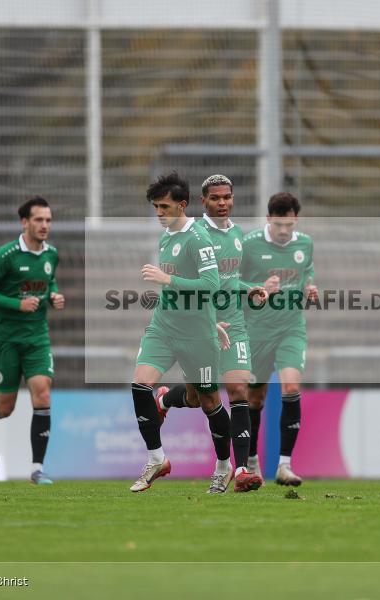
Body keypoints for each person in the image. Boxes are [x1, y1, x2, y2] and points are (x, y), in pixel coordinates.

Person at [157, 174, 265, 493]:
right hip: (199, 326)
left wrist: (249, 289)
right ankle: (165, 398)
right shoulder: (193, 235)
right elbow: (187, 285)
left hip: (234, 324)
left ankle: (240, 469)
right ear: (203, 201)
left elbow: (227, 280)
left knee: (238, 388)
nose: (222, 203)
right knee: (199, 398)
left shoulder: (237, 234)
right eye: (215, 198)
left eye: (227, 197)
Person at [129, 172, 231, 494]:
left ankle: (224, 466)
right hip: (164, 326)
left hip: (196, 335)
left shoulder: (198, 239)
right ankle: (156, 458)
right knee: (139, 383)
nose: (159, 213)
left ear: (182, 205)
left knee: (207, 399)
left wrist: (170, 282)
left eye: (164, 207)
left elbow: (212, 286)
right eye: (155, 207)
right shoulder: (166, 237)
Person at [0, 196, 65, 485]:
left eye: (48, 220)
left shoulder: (51, 254)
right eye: (38, 220)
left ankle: (36, 469)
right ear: (24, 222)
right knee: (5, 407)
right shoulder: (6, 255)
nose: (44, 225)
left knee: (42, 394)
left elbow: (50, 281)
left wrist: (54, 296)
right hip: (5, 339)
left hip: (36, 337)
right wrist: (15, 304)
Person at [239, 192, 316, 487]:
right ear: (269, 219)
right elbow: (230, 282)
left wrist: (310, 286)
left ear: (295, 220)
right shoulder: (249, 245)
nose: (285, 231)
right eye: (279, 225)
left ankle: (285, 465)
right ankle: (252, 462)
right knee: (254, 398)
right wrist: (258, 287)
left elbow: (307, 270)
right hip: (256, 332)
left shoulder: (305, 244)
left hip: (291, 329)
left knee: (292, 386)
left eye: (290, 225)